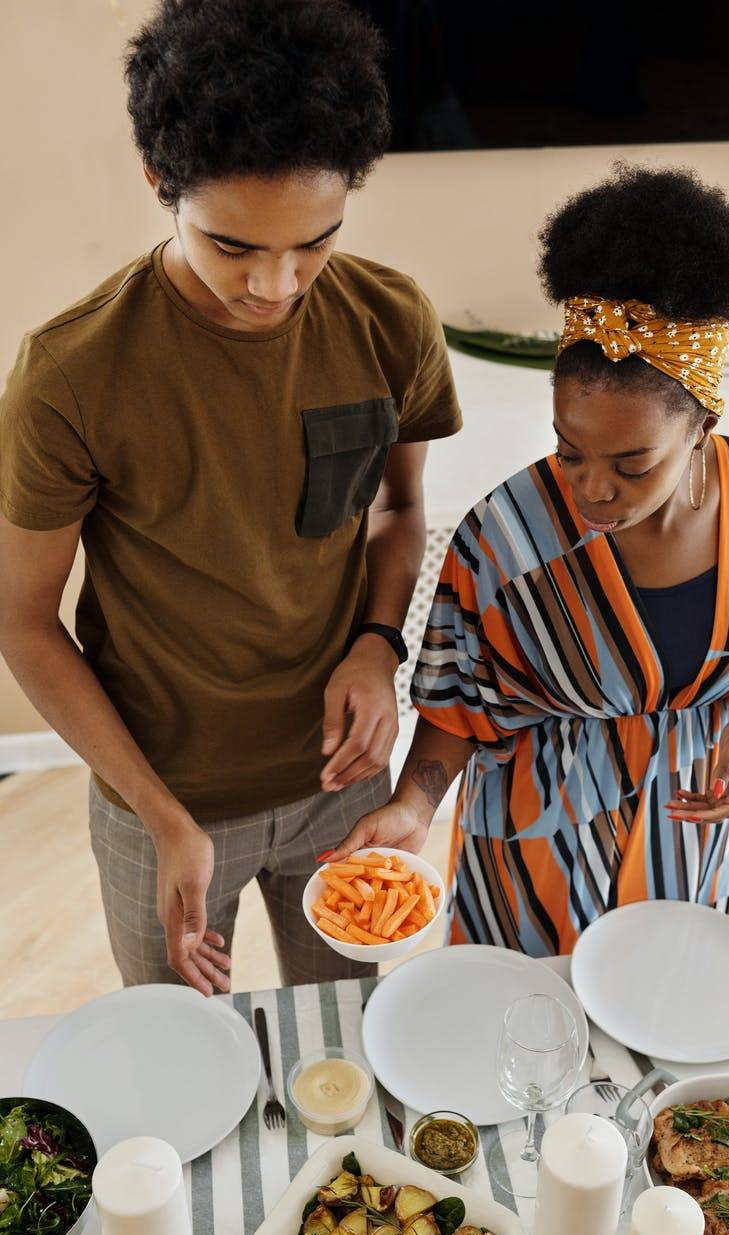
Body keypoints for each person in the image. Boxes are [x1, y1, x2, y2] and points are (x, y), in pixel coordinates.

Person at [0, 0, 461, 993]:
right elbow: (23, 620)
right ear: (157, 182)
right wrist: (161, 815)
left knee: (344, 1037)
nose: (276, 286)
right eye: (233, 247)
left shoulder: (389, 320)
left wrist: (380, 648)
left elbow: (396, 510)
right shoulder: (73, 372)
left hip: (341, 782)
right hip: (159, 795)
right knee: (178, 1060)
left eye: (314, 244)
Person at [328, 165, 729, 955]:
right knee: (529, 1046)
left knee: (671, 1019)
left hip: (688, 839)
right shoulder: (505, 540)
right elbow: (456, 708)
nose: (593, 490)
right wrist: (413, 808)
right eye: (569, 451)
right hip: (538, 862)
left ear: (702, 427)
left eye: (632, 465)